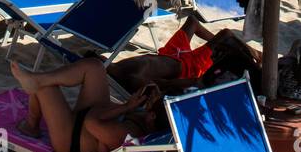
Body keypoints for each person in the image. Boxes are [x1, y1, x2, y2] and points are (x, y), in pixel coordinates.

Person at [11, 58, 163, 152]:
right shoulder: (145, 118)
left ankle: (32, 126)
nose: (149, 100)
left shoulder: (128, 134)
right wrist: (129, 107)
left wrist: (125, 107)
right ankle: (37, 79)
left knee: (45, 88)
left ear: (152, 116)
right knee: (94, 67)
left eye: (152, 101)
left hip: (71, 139)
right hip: (89, 118)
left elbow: (91, 121)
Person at [108, 14, 262, 95]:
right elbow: (166, 85)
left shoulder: (113, 68)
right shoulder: (134, 80)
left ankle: (247, 54)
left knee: (194, 22)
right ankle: (255, 55)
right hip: (188, 68)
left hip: (171, 54)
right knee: (227, 35)